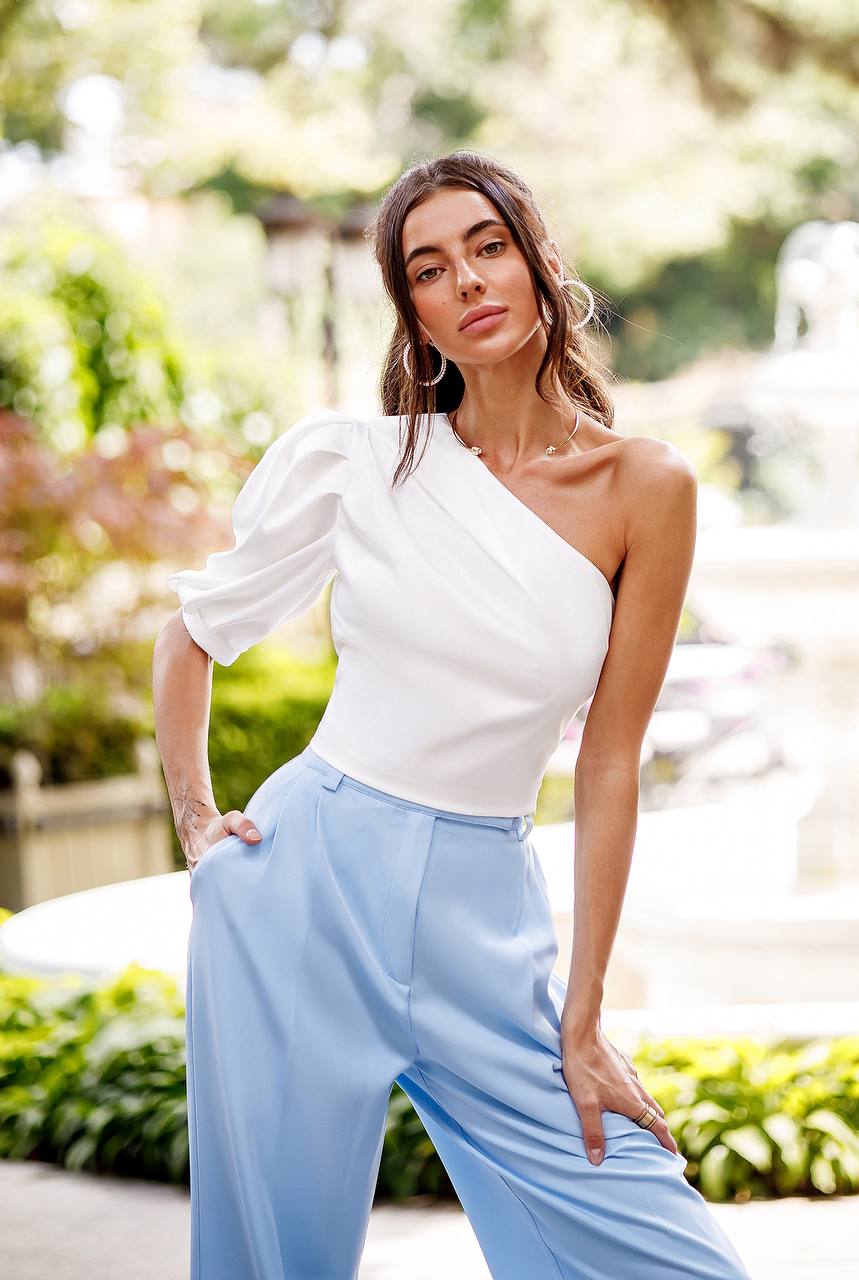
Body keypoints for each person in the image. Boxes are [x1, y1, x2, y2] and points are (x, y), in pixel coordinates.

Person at [152, 150, 752, 1280]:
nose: (467, 280)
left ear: (538, 266)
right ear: (414, 312)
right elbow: (189, 635)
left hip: (482, 920)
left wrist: (583, 1019)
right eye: (429, 268)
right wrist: (199, 825)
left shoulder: (646, 486)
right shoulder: (360, 463)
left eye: (487, 247)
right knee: (271, 1261)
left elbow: (611, 760)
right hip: (300, 891)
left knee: (664, 1258)